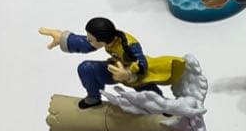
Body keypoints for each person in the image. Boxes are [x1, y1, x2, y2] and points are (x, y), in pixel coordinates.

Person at [39, 17, 184, 108]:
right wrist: (64, 38)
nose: (88, 40)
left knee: (151, 96)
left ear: (101, 39)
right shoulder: (104, 39)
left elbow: (142, 64)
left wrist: (127, 74)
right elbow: (87, 43)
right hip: (115, 68)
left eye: (91, 38)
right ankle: (93, 98)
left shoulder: (129, 44)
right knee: (86, 68)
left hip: (137, 75)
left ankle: (165, 106)